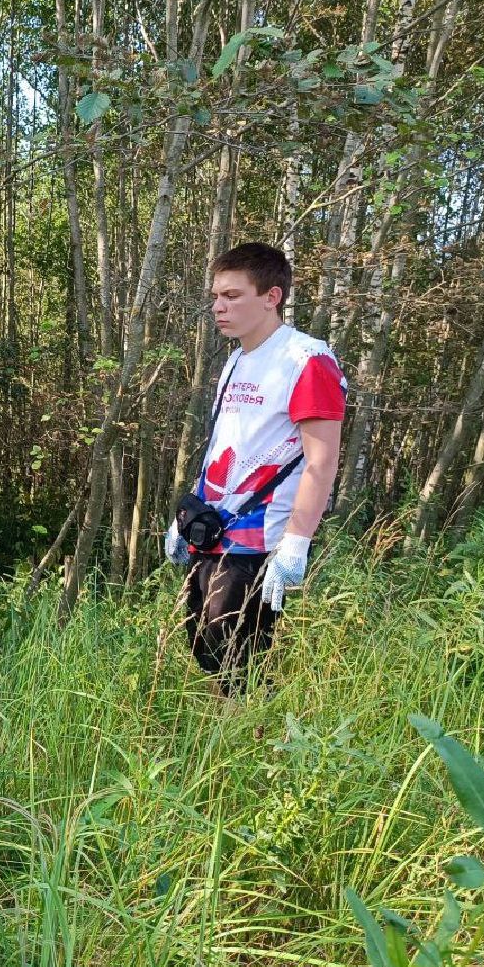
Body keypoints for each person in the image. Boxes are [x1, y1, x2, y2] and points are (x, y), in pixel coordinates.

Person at [165, 242, 347, 696]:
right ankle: (222, 745)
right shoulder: (237, 359)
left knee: (240, 663)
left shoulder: (305, 360)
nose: (218, 307)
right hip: (212, 530)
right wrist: (185, 517)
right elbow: (223, 448)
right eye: (215, 297)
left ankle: (246, 748)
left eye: (232, 296)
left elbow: (321, 460)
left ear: (272, 296)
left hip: (258, 538)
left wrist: (297, 544)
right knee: (207, 649)